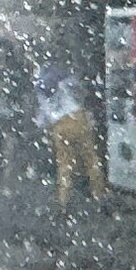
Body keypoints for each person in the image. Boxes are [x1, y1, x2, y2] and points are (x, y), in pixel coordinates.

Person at [36, 53, 97, 207]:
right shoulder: (65, 77)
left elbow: (43, 116)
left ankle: (64, 200)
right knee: (91, 159)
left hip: (59, 126)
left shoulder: (41, 87)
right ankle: (98, 194)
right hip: (77, 118)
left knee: (64, 164)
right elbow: (81, 94)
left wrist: (42, 126)